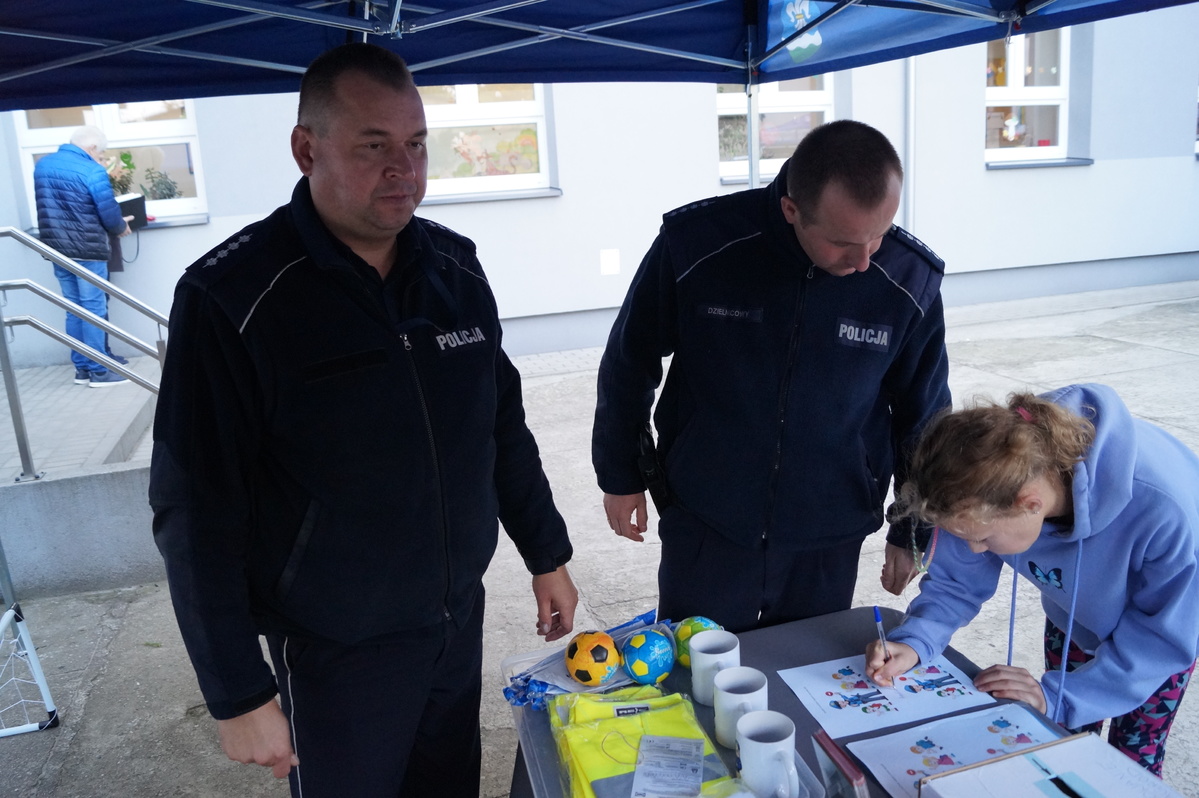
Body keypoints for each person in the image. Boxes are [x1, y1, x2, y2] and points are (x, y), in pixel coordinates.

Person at [149, 43, 578, 797]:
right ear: (305, 149)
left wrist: (546, 554)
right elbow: (195, 511)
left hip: (453, 622)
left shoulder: (454, 270)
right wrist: (238, 693)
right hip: (334, 647)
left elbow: (500, 427)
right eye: (373, 146)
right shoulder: (235, 299)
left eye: (415, 145)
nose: (404, 170)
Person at [591, 120, 951, 633]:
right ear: (791, 209)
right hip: (707, 517)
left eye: (880, 234)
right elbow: (629, 361)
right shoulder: (698, 245)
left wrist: (913, 528)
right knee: (697, 680)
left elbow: (928, 416)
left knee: (806, 682)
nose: (867, 260)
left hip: (830, 527)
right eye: (844, 242)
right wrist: (621, 473)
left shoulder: (907, 280)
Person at [866, 384, 1199, 776]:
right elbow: (956, 584)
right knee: (1062, 738)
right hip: (1074, 617)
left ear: (1031, 504)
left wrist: (1059, 695)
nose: (977, 551)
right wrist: (916, 641)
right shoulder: (981, 484)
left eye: (984, 539)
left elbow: (1163, 637)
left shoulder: (1165, 511)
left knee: (1131, 762)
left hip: (1164, 633)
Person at [33, 125, 132, 387]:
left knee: (74, 308)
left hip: (57, 249)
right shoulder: (91, 169)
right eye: (101, 153)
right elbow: (108, 212)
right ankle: (101, 370)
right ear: (91, 148)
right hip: (87, 249)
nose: (101, 158)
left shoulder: (43, 165)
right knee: (93, 309)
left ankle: (83, 368)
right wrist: (121, 227)